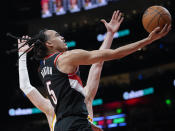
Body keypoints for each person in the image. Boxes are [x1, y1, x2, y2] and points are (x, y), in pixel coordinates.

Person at [19, 10, 171, 130]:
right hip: (76, 125)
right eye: (58, 35)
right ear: (50, 44)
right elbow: (110, 56)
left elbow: (97, 64)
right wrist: (149, 40)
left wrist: (110, 34)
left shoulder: (44, 72)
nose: (62, 37)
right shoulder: (66, 59)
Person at [18, 10, 124, 131]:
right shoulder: (52, 107)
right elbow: (97, 63)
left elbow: (98, 63)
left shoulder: (84, 98)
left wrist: (110, 34)